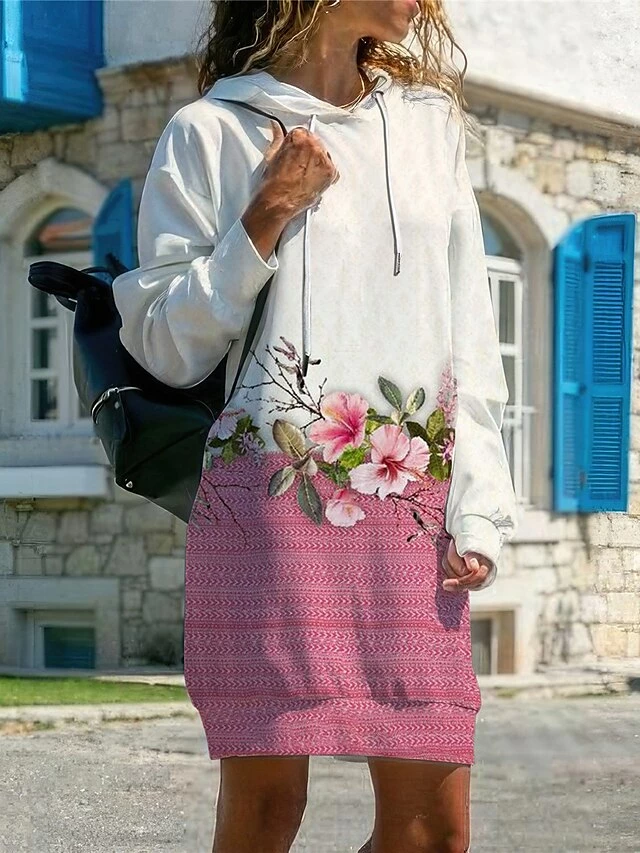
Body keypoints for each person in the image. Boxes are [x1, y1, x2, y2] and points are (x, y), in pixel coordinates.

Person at [112, 1, 519, 850]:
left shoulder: (429, 125)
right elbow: (165, 345)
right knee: (266, 813)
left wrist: (478, 505)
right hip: (272, 510)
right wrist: (266, 213)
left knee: (433, 832)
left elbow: (469, 333)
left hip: (411, 514)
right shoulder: (210, 130)